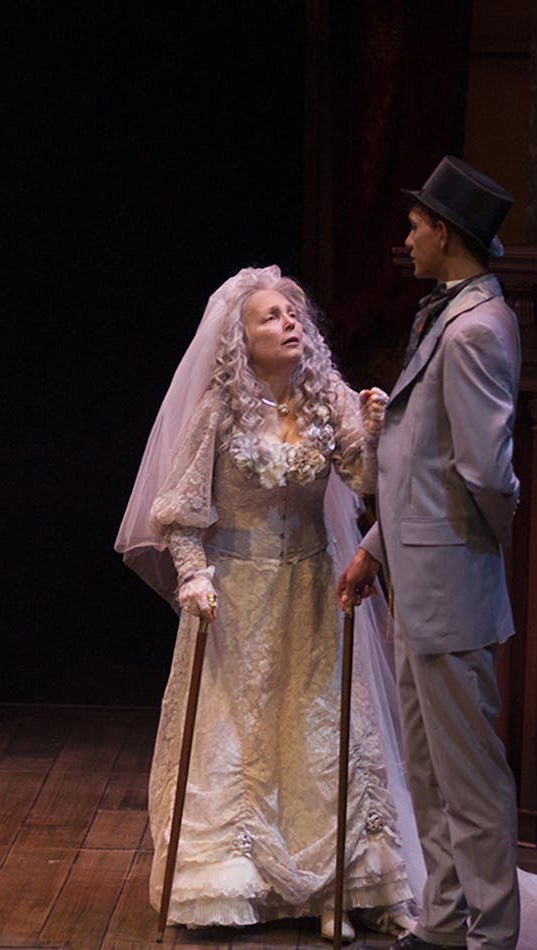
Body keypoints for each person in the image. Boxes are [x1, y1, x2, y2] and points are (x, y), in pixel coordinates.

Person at [116, 266, 420, 940]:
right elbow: (183, 514)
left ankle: (341, 883)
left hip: (313, 587)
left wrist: (373, 431)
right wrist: (193, 576)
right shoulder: (217, 412)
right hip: (237, 597)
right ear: (240, 341)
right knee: (241, 736)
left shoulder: (329, 400)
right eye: (271, 317)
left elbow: (364, 482)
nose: (289, 323)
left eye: (293, 313)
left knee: (320, 730)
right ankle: (238, 880)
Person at [337, 155, 524, 948]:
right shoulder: (445, 313)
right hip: (416, 577)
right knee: (429, 770)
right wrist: (378, 548)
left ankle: (491, 936)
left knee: (471, 779)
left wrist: (472, 549)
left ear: (445, 232)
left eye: (415, 225)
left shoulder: (478, 329)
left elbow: (485, 473)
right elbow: (426, 462)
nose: (406, 237)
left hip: (448, 582)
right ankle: (446, 924)